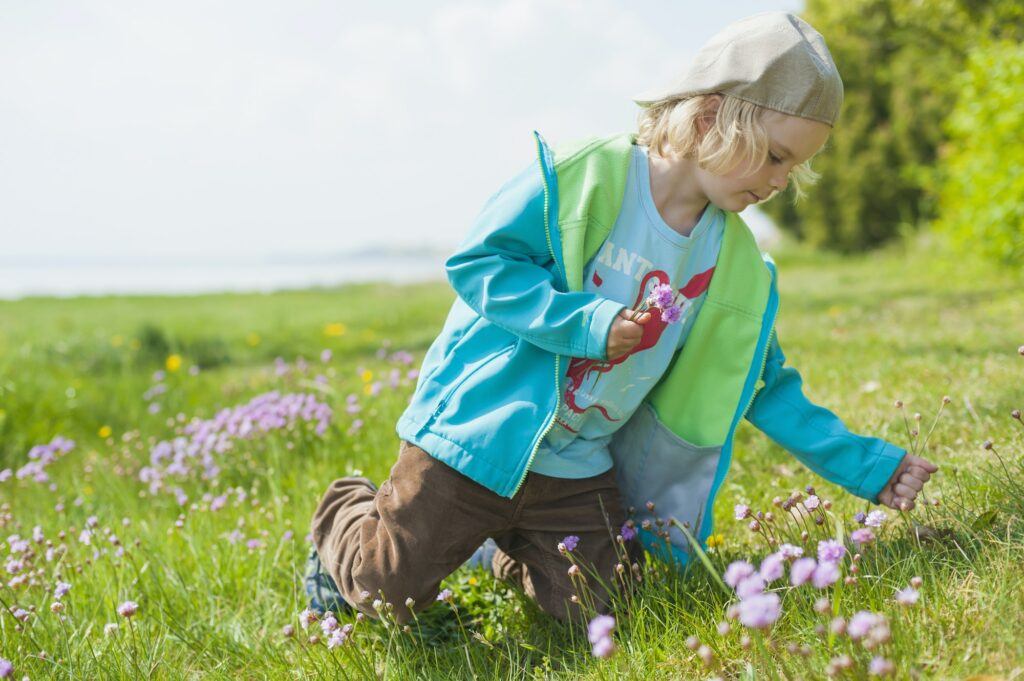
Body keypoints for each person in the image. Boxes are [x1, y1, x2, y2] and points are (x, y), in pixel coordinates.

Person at [305, 11, 938, 625]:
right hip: (480, 442)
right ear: (715, 115)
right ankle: (347, 511)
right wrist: (584, 322)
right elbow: (481, 263)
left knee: (609, 611)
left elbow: (764, 382)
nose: (779, 182)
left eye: (792, 168)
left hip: (575, 464)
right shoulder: (584, 177)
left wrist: (871, 466)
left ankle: (504, 550)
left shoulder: (735, 265)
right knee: (387, 588)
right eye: (775, 156)